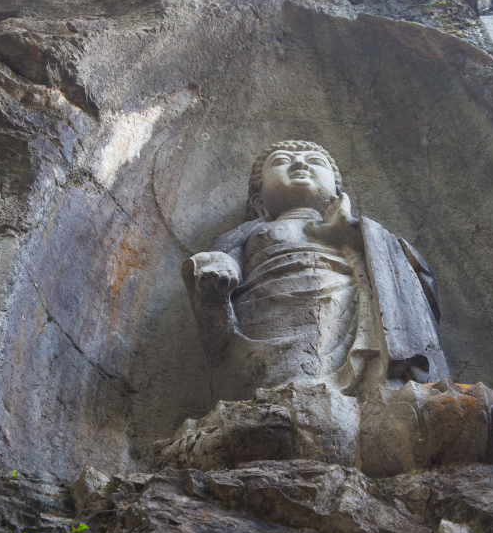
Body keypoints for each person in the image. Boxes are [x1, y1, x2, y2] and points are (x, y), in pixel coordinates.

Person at [182, 140, 447, 402]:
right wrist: (219, 267)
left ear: (336, 192)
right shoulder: (252, 231)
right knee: (282, 386)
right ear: (258, 200)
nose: (299, 163)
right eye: (282, 161)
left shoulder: (365, 233)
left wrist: (352, 232)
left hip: (351, 315)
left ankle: (378, 389)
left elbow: (412, 277)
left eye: (316, 162)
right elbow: (223, 257)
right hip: (272, 318)